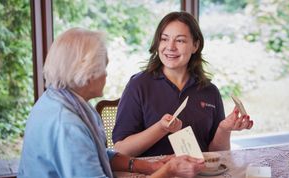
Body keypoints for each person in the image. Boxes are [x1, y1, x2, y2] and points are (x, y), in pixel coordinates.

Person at [17, 28, 205, 178]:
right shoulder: (66, 124)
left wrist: (148, 166)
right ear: (87, 73)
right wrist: (167, 171)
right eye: (103, 68)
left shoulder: (61, 99)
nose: (106, 75)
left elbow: (96, 154)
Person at [112, 11, 254, 157]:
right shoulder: (139, 85)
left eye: (180, 40)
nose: (170, 47)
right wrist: (161, 128)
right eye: (164, 39)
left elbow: (216, 155)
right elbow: (122, 150)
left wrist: (224, 129)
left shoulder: (210, 91)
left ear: (195, 45)